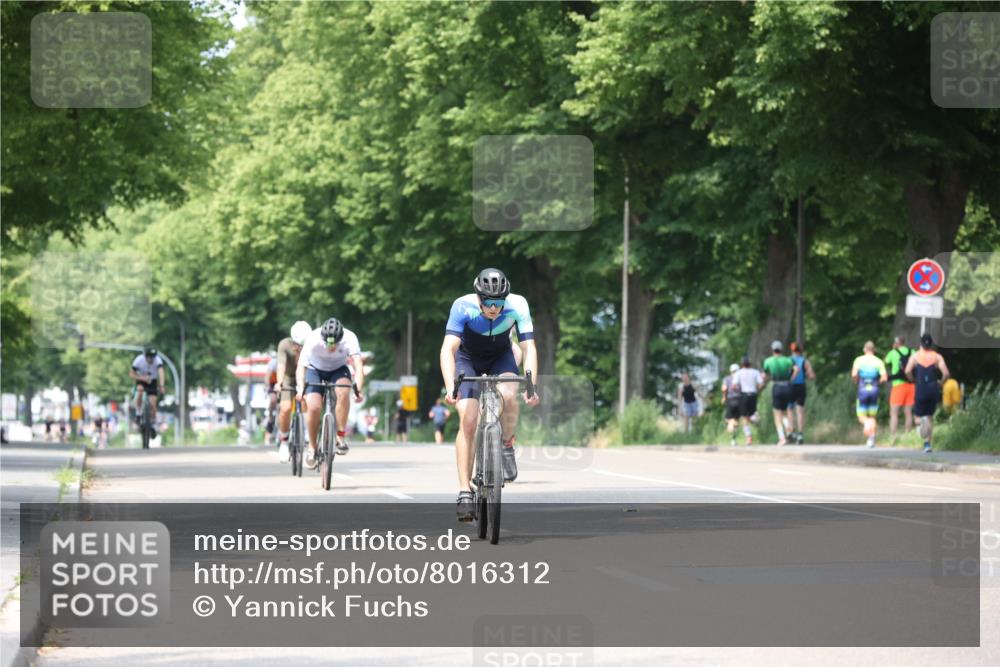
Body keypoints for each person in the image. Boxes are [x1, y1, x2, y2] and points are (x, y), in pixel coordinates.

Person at [440, 268, 539, 521]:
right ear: (478, 297)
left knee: (509, 394)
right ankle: (464, 491)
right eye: (488, 302)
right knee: (469, 420)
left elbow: (529, 348)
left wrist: (532, 385)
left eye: (498, 302)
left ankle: (506, 444)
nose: (494, 308)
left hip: (501, 356)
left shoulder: (518, 305)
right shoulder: (462, 306)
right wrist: (451, 386)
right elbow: (447, 350)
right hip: (467, 358)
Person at [295, 318, 366, 469]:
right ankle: (312, 448)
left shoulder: (350, 338)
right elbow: (301, 367)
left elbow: (358, 367)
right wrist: (300, 388)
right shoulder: (313, 338)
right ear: (323, 338)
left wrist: (358, 390)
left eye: (335, 343)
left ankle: (340, 436)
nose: (331, 346)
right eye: (328, 343)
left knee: (343, 391)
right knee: (313, 407)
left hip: (338, 369)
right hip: (315, 370)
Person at [905, 333, 950, 453]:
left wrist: (912, 380)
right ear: (931, 344)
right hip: (933, 387)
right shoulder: (937, 357)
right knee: (930, 416)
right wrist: (941, 383)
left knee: (918, 416)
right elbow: (946, 373)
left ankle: (921, 425)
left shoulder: (915, 356)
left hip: (920, 386)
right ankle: (927, 445)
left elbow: (908, 371)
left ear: (920, 343)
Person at [274, 321, 311, 462]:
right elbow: (281, 366)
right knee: (285, 408)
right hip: (289, 378)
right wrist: (279, 382)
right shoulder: (284, 345)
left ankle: (308, 433)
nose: (300, 348)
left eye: (303, 346)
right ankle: (283, 440)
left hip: (307, 376)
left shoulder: (312, 345)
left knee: (310, 402)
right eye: (298, 345)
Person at [851, 340, 888, 448]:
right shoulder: (878, 361)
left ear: (864, 349)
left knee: (862, 416)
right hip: (874, 389)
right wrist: (877, 382)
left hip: (862, 389)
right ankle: (871, 439)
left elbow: (854, 374)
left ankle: (866, 425)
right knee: (872, 416)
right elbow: (884, 377)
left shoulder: (859, 360)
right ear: (874, 350)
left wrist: (856, 380)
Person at [762, 340, 795, 445]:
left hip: (777, 386)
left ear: (772, 349)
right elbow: (796, 369)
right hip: (787, 386)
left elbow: (765, 375)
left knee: (777, 413)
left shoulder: (768, 361)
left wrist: (763, 383)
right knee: (787, 411)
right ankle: (789, 429)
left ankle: (782, 438)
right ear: (781, 349)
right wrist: (791, 379)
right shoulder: (788, 360)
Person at [129, 346, 166, 437]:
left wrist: (161, 385)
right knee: (140, 391)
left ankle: (153, 422)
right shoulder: (139, 360)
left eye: (152, 357)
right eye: (149, 357)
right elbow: (131, 373)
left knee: (153, 404)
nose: (151, 359)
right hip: (141, 379)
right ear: (145, 356)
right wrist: (141, 378)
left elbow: (161, 373)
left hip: (152, 381)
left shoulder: (158, 361)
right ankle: (138, 413)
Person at [884, 335, 915, 438]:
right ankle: (908, 435)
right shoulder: (912, 352)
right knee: (908, 412)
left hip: (898, 385)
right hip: (911, 385)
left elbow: (886, 361)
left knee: (894, 413)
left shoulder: (893, 352)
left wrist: (893, 349)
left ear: (896, 343)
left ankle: (893, 436)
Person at [732, 356, 763, 446]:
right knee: (752, 414)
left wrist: (737, 390)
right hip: (753, 395)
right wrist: (757, 389)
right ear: (750, 363)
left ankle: (748, 437)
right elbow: (761, 384)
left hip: (744, 395)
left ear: (742, 364)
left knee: (744, 417)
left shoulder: (739, 373)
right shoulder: (755, 372)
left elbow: (734, 386)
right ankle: (754, 419)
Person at [788, 341, 815, 444]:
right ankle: (800, 434)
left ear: (792, 350)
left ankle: (791, 431)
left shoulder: (788, 360)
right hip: (801, 387)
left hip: (790, 387)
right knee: (800, 411)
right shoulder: (805, 361)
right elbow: (812, 376)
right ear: (801, 350)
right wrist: (807, 375)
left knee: (790, 409)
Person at [720, 363, 742, 446]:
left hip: (731, 400)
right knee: (736, 420)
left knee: (729, 420)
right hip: (740, 400)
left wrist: (724, 397)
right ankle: (733, 439)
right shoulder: (740, 379)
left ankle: (731, 433)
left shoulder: (727, 379)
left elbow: (724, 388)